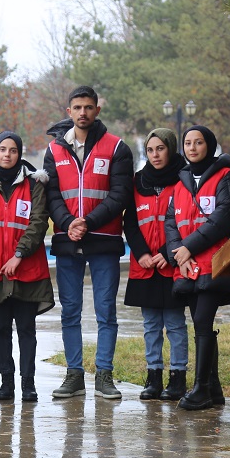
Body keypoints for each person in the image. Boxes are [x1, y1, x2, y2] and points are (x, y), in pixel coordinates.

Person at [43, 86, 133, 400]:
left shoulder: (116, 147)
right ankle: (74, 374)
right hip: (68, 241)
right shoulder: (54, 150)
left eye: (88, 107)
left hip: (104, 240)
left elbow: (120, 193)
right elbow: (51, 195)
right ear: (69, 111)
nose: (83, 113)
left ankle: (104, 375)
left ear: (97, 110)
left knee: (106, 312)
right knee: (70, 312)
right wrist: (69, 224)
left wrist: (88, 222)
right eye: (77, 107)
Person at [164, 125, 230, 411]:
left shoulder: (226, 177)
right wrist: (180, 256)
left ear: (209, 145)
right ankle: (213, 388)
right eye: (188, 143)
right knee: (200, 321)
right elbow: (171, 222)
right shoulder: (180, 182)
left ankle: (201, 389)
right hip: (189, 266)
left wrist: (189, 248)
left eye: (198, 142)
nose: (193, 147)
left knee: (201, 320)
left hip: (216, 261)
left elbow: (224, 217)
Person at [0, 131, 54, 402]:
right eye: (2, 149)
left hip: (26, 270)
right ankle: (6, 383)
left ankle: (28, 384)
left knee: (26, 329)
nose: (7, 155)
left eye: (12, 150)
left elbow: (39, 221)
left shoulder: (34, 183)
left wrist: (19, 254)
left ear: (19, 153)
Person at [124, 128, 189, 401]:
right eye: (150, 150)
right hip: (145, 266)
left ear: (171, 149)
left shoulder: (184, 180)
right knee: (151, 324)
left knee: (174, 324)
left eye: (160, 149)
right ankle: (153, 377)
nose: (155, 155)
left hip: (173, 263)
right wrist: (141, 254)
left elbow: (187, 220)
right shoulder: (138, 181)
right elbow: (130, 223)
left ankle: (177, 378)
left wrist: (168, 252)